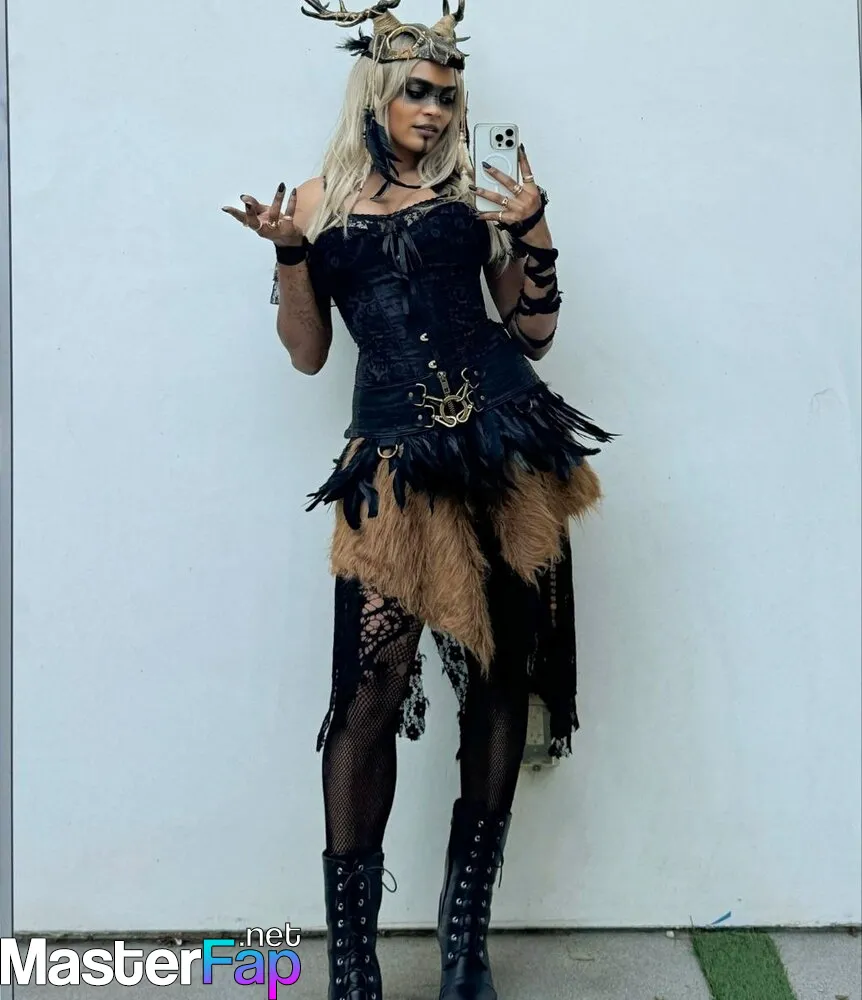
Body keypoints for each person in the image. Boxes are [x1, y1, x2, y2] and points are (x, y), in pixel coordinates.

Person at [223, 2, 614, 996]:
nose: (436, 112)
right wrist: (289, 253)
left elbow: (533, 335)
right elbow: (308, 353)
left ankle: (463, 936)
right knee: (367, 695)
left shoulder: (472, 193)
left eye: (448, 96)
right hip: (393, 460)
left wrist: (533, 229)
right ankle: (352, 963)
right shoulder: (318, 202)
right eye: (419, 93)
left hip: (500, 445)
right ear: (376, 94)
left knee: (496, 677)